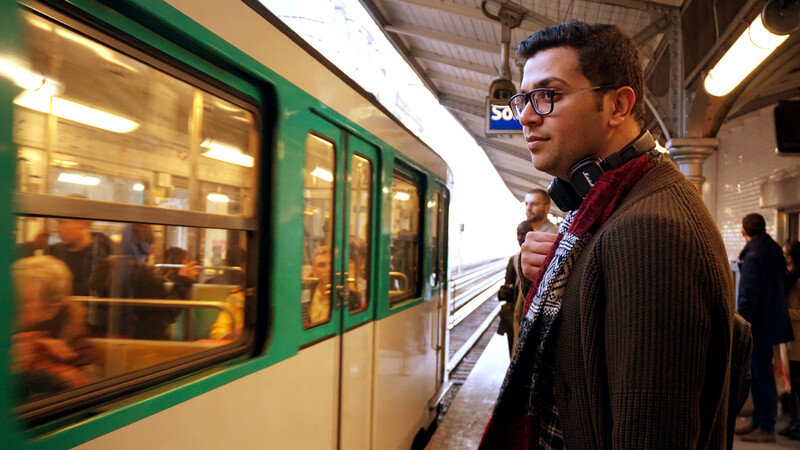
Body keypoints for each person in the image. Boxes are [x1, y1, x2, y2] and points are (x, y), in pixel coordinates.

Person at [480, 21, 735, 449]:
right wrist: (534, 276)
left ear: (618, 106)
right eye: (525, 98)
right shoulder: (607, 207)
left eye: (548, 96)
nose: (524, 115)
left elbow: (650, 434)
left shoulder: (650, 231)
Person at [734, 214, 794, 442]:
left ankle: (765, 426)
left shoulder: (753, 255)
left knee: (760, 375)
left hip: (758, 325)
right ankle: (760, 421)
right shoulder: (774, 249)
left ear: (743, 232)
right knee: (762, 373)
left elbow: (748, 296)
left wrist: (740, 324)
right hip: (773, 321)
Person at [11, 256, 99, 401]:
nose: (11, 307)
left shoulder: (79, 353)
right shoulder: (11, 339)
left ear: (50, 310)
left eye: (22, 301)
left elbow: (87, 404)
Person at [90, 224, 198, 339]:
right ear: (147, 248)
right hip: (142, 340)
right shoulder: (145, 275)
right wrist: (183, 280)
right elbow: (167, 314)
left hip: (104, 336)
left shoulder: (103, 267)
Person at [498, 220, 535, 356]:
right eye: (518, 234)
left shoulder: (539, 258)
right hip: (514, 316)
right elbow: (508, 286)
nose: (520, 238)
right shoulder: (513, 260)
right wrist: (504, 292)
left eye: (524, 234)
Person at [782, 240, 800, 440]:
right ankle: (794, 421)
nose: (785, 258)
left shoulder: (797, 279)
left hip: (797, 338)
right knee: (792, 385)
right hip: (791, 339)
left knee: (796, 383)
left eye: (787, 254)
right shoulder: (788, 276)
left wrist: (786, 313)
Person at [303, 245, 332, 326]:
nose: (328, 269)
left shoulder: (352, 299)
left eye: (332, 263)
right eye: (322, 265)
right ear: (314, 271)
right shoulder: (304, 296)